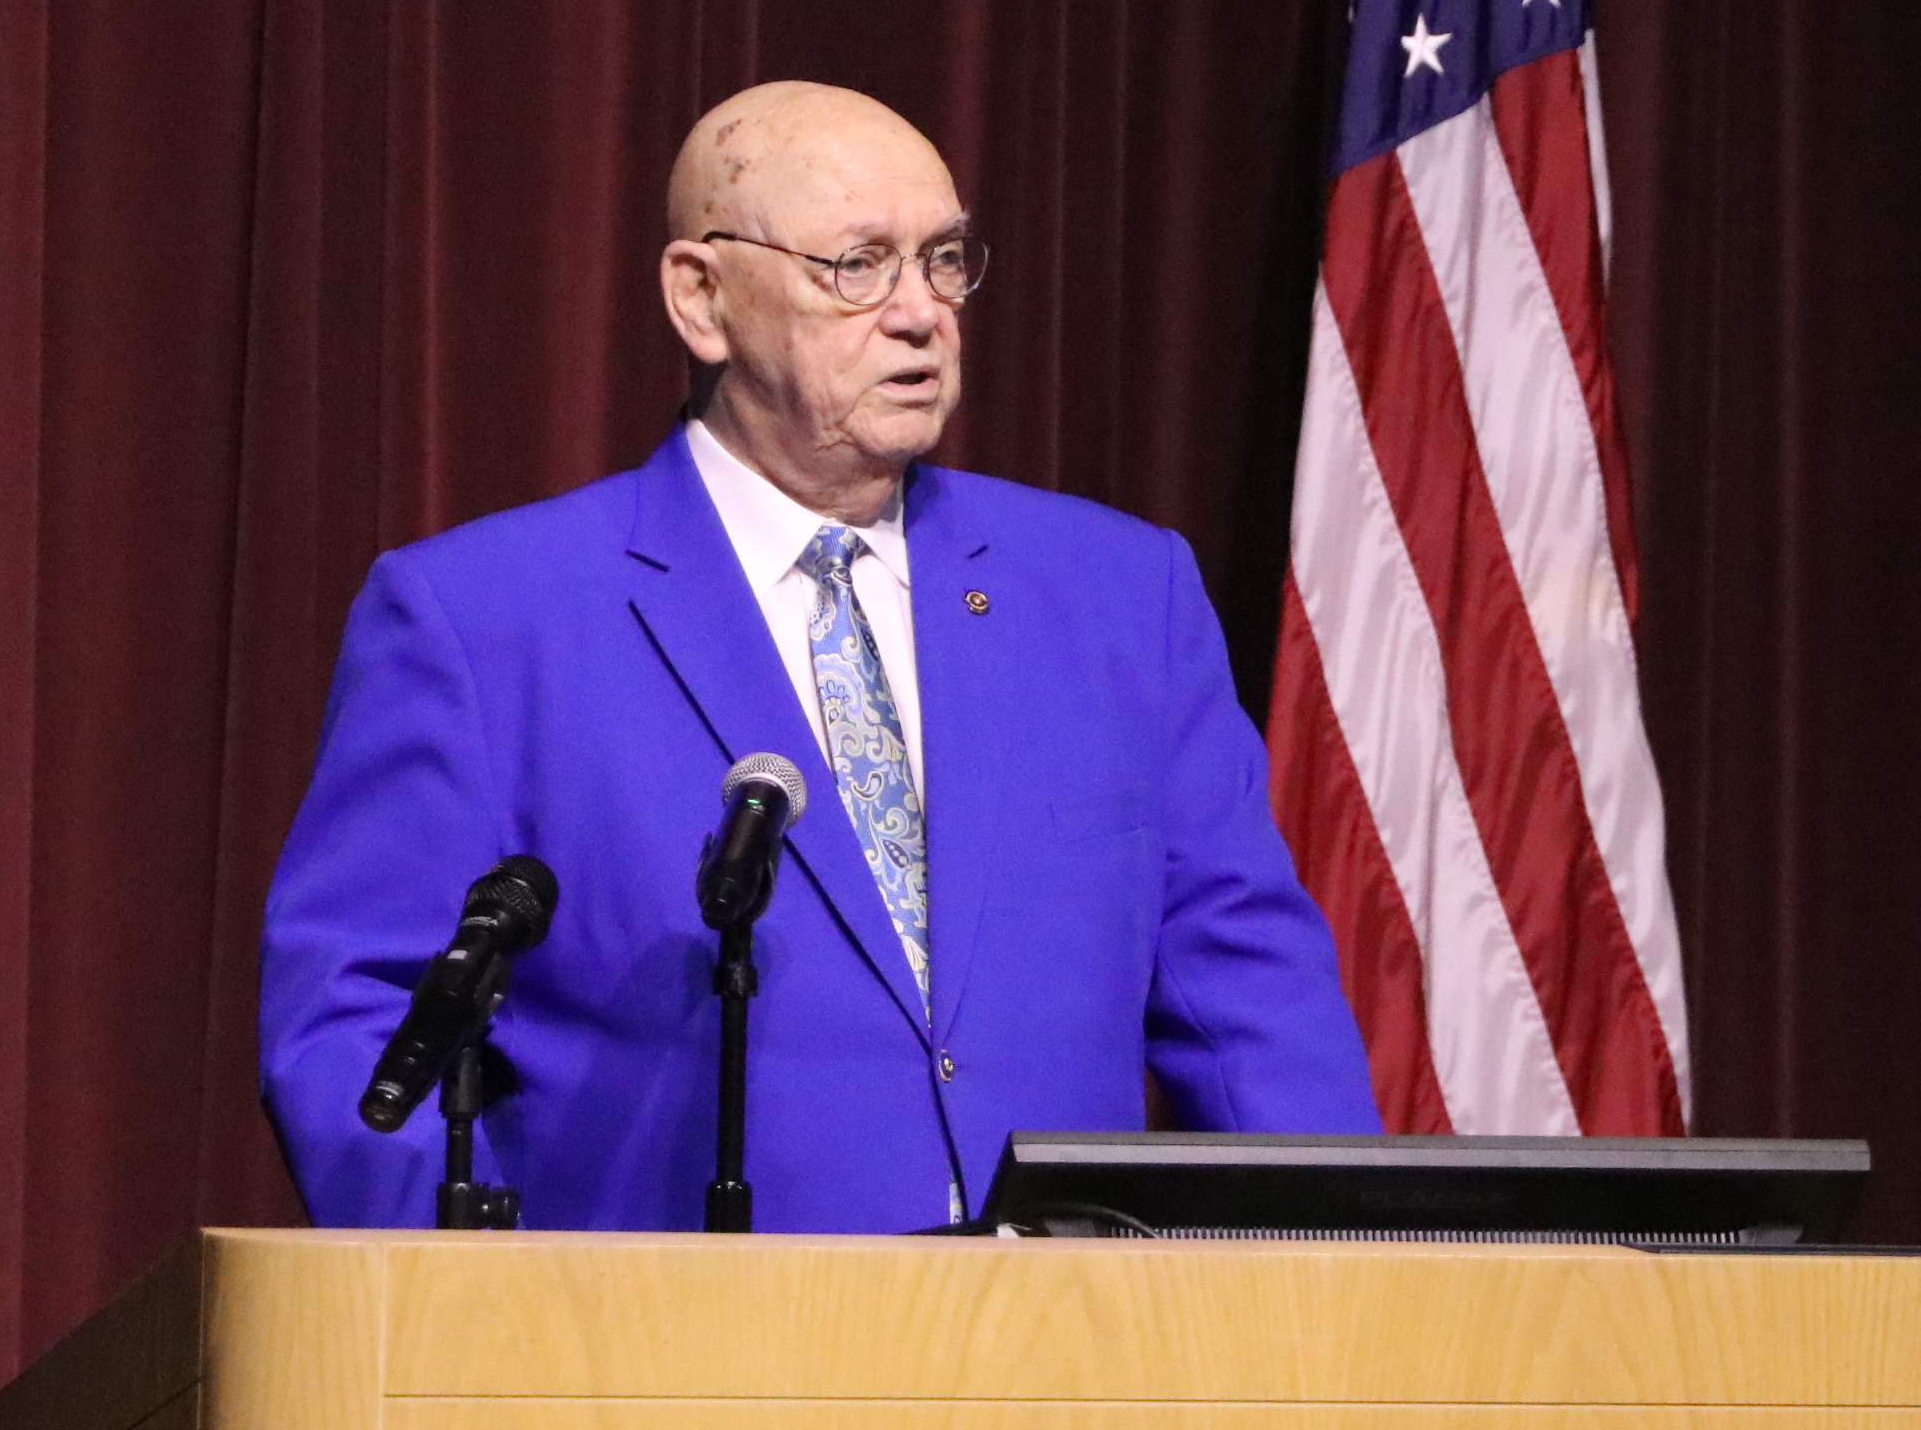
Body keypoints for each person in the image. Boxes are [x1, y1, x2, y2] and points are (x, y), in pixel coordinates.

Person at [258, 82, 1379, 1230]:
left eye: (945, 260)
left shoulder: (1118, 597)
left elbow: (1251, 998)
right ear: (703, 299)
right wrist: (492, 1326)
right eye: (859, 265)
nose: (920, 312)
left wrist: (1341, 1289)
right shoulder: (485, 619)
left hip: (1066, 1365)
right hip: (668, 1376)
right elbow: (357, 1025)